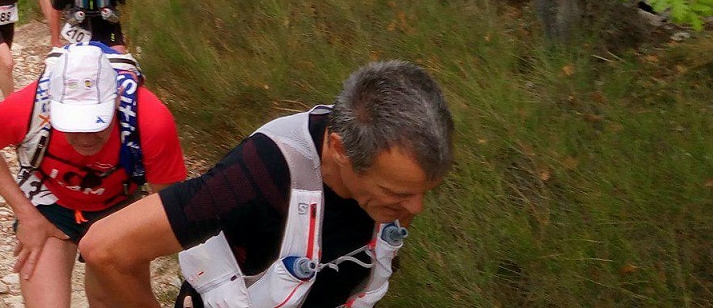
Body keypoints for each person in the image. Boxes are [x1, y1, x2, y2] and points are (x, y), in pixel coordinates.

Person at [78, 60, 455, 308]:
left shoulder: (387, 165)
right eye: (398, 194)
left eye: (425, 192)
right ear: (340, 149)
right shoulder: (260, 175)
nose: (415, 209)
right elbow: (106, 247)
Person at [0, 43, 188, 308]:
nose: (85, 139)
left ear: (116, 101)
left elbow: (169, 204)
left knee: (110, 300)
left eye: (96, 122)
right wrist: (27, 216)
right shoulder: (27, 106)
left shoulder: (150, 120)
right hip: (50, 204)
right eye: (72, 124)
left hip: (118, 207)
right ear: (53, 105)